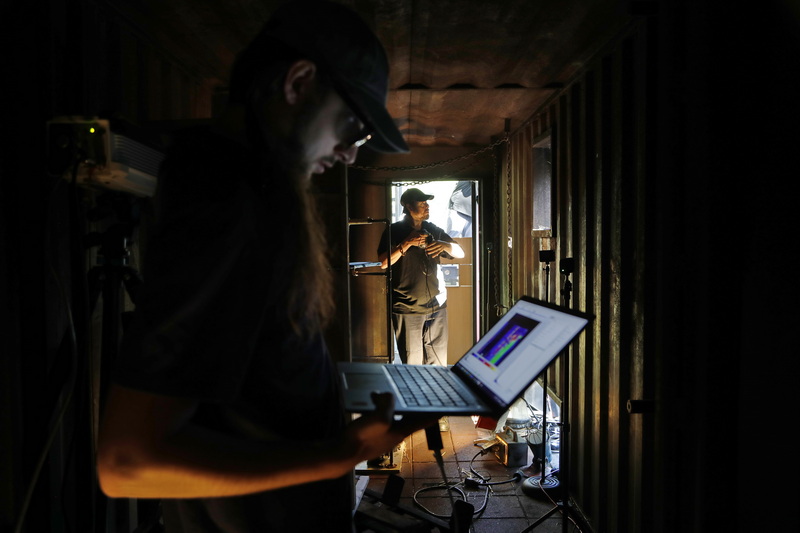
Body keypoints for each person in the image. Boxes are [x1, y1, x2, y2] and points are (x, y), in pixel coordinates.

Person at [96, 2, 434, 531]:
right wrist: (340, 453)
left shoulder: (251, 191)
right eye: (352, 123)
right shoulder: (230, 203)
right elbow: (127, 463)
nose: (349, 153)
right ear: (299, 83)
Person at [377, 187, 465, 370]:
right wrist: (407, 243)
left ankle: (434, 398)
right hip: (407, 307)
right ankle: (413, 398)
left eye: (427, 203)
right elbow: (384, 263)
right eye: (422, 203)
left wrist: (444, 245)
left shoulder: (432, 229)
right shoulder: (394, 231)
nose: (427, 206)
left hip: (437, 306)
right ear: (408, 206)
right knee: (413, 365)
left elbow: (460, 253)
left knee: (438, 364)